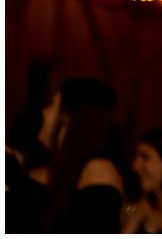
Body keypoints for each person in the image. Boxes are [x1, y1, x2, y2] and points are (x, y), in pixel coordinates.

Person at [10, 77, 127, 232]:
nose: (44, 112)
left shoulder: (98, 170)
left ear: (70, 119)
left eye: (52, 105)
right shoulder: (49, 169)